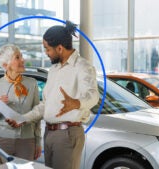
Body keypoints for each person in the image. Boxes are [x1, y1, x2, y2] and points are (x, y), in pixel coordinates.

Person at [6, 21, 99, 169]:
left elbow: (93, 95)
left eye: (47, 49)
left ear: (60, 48)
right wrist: (23, 119)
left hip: (68, 135)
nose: (46, 53)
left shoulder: (82, 67)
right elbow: (45, 105)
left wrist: (76, 103)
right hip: (49, 134)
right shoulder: (54, 70)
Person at [0, 44, 42, 161]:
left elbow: (37, 115)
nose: (23, 59)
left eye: (21, 56)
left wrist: (38, 141)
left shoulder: (32, 83)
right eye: (17, 57)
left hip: (27, 141)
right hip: (3, 140)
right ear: (6, 65)